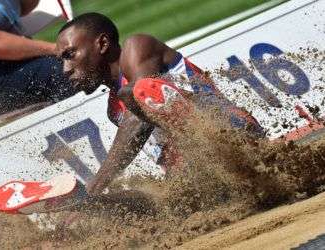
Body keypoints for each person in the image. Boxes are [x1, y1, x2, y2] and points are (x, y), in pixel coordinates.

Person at [56, 12, 265, 196]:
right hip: (200, 171)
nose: (65, 70)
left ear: (102, 44)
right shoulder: (113, 111)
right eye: (62, 61)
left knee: (136, 93)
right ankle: (79, 206)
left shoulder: (137, 46)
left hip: (234, 135)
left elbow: (137, 122)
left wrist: (95, 186)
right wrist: (89, 202)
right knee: (157, 200)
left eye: (70, 55)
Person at [0, 0, 77, 122]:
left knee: (76, 63)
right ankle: (77, 128)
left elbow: (26, 6)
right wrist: (56, 49)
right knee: (63, 69)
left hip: (0, 67)